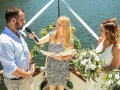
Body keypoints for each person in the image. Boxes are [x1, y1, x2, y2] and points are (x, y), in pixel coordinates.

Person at [29, 16, 74, 90]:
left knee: (61, 87)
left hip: (62, 67)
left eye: (60, 24)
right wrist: (34, 37)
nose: (57, 25)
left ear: (65, 26)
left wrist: (61, 58)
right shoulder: (52, 35)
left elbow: (70, 55)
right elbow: (39, 42)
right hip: (51, 66)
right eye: (57, 23)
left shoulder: (70, 40)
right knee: (51, 86)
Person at [0, 7, 35, 90]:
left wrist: (32, 63)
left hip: (26, 79)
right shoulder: (5, 41)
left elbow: (25, 50)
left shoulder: (18, 32)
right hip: (16, 84)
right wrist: (28, 74)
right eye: (22, 19)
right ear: (13, 20)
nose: (25, 22)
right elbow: (11, 69)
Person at [85, 18, 120, 90]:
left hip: (103, 81)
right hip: (93, 76)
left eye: (101, 30)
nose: (99, 32)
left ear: (108, 32)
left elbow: (114, 68)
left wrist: (98, 69)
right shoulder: (100, 40)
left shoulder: (116, 48)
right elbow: (95, 56)